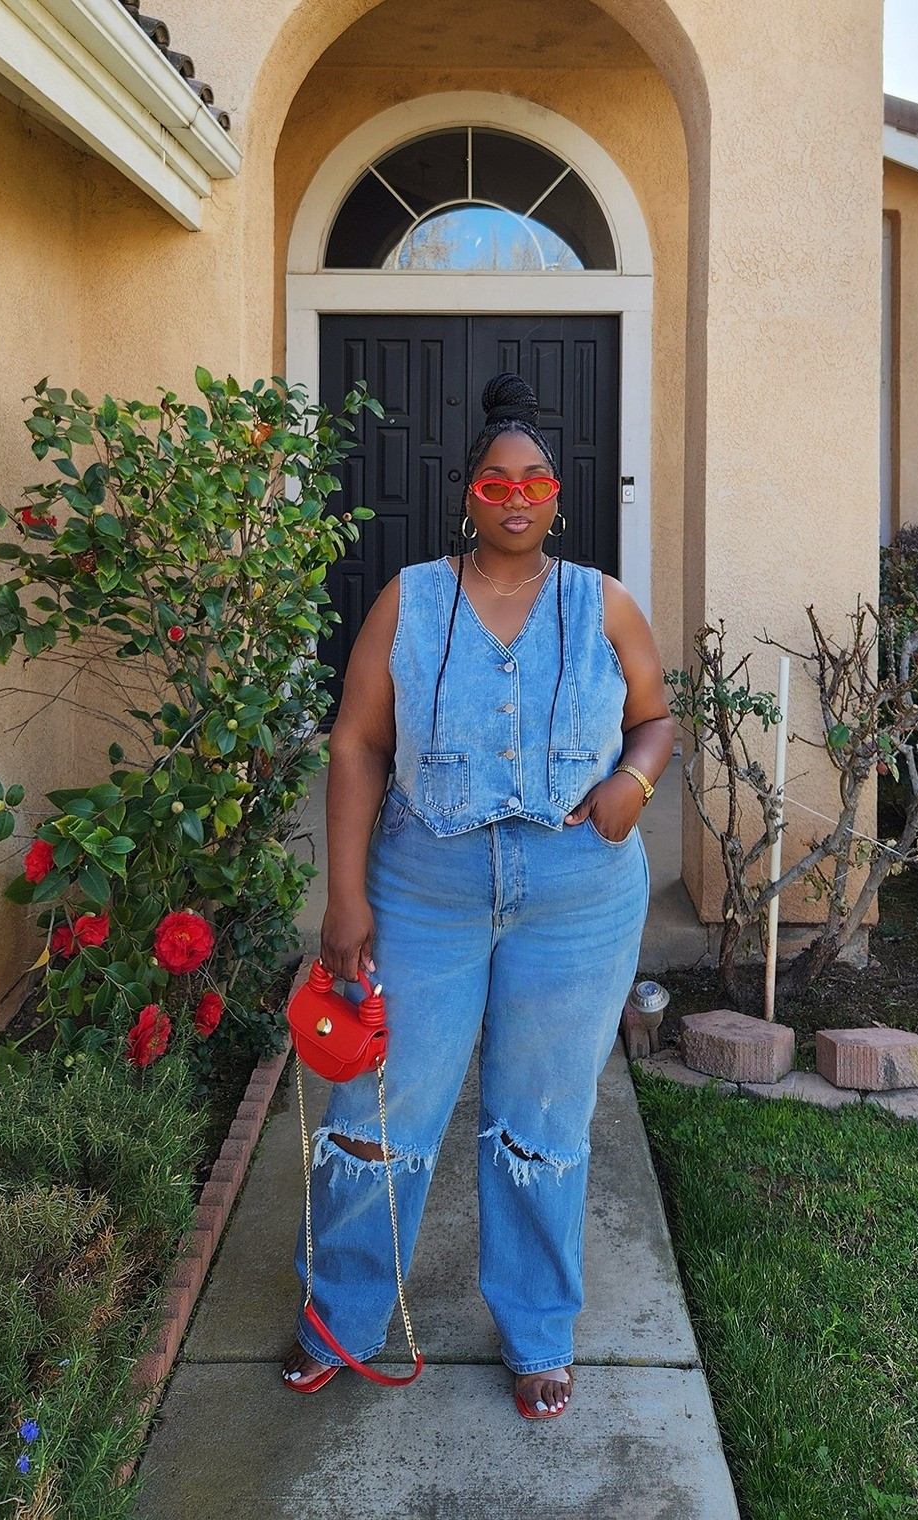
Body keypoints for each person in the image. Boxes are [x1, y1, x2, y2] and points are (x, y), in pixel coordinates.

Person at [282, 372, 676, 1418]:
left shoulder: (605, 602)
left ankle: (539, 1329)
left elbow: (656, 717)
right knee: (382, 1102)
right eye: (494, 479)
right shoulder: (408, 599)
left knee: (543, 1112)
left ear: (556, 496)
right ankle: (341, 1317)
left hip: (576, 892)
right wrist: (345, 896)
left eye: (533, 479)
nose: (514, 493)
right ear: (468, 493)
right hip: (425, 887)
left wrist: (630, 785)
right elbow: (359, 744)